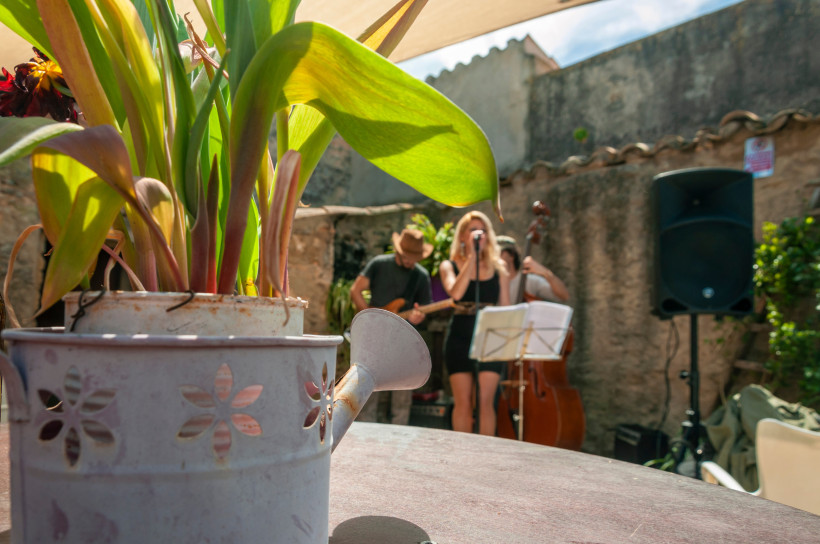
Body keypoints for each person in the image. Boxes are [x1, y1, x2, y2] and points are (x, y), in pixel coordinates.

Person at [350, 228, 433, 425]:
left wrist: (418, 318)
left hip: (403, 340)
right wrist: (367, 316)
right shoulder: (379, 264)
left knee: (402, 396)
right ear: (398, 250)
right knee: (368, 392)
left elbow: (424, 312)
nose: (410, 261)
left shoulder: (421, 276)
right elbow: (356, 290)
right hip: (375, 337)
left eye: (414, 257)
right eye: (407, 256)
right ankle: (365, 436)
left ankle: (399, 437)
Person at [439, 211, 511, 435]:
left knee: (485, 401)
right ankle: (462, 452)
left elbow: (505, 307)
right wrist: (471, 257)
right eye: (472, 230)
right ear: (462, 236)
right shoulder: (449, 265)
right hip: (460, 336)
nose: (478, 235)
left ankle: (484, 454)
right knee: (463, 401)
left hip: (489, 337)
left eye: (482, 230)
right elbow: (457, 293)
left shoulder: (499, 268)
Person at [496, 236, 570, 303]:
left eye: (499, 253)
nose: (495, 257)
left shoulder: (529, 281)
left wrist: (546, 273)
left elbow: (564, 295)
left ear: (511, 255)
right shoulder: (491, 282)